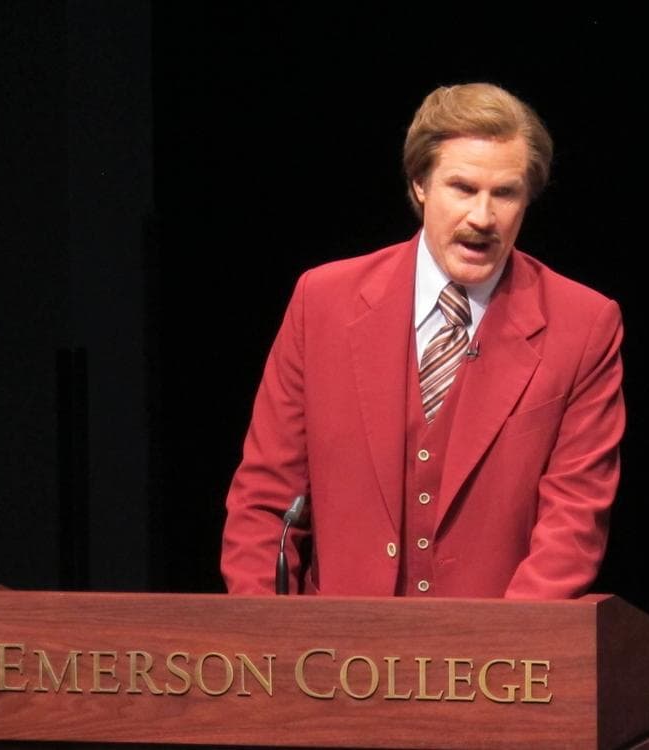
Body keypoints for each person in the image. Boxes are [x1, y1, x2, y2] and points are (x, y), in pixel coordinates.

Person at [221, 82, 625, 599]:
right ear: (420, 184)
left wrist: (503, 662)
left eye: (504, 193)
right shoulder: (322, 302)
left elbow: (573, 524)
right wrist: (271, 650)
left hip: (495, 664)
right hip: (334, 660)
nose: (482, 217)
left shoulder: (584, 324)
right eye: (462, 188)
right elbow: (264, 502)